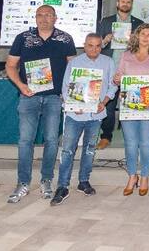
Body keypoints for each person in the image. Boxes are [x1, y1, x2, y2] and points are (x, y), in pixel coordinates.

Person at [5, 5, 77, 203]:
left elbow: (73, 68)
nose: (44, 18)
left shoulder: (65, 39)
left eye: (48, 15)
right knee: (25, 141)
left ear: (55, 18)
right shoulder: (23, 38)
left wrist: (67, 93)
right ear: (35, 17)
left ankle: (46, 180)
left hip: (54, 98)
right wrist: (21, 86)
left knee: (52, 140)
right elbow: (10, 66)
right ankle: (23, 182)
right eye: (40, 15)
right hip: (29, 96)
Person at [50, 33, 116, 206]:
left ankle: (83, 181)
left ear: (101, 46)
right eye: (90, 45)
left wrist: (104, 102)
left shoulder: (108, 62)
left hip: (96, 114)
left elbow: (113, 85)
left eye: (98, 46)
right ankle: (62, 186)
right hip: (75, 115)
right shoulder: (74, 62)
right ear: (84, 45)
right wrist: (73, 105)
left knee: (89, 149)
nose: (94, 49)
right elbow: (65, 87)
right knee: (67, 150)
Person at [113, 23, 149, 196]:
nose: (145, 37)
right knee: (130, 142)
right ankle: (132, 176)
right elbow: (118, 77)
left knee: (145, 142)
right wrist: (117, 79)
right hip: (128, 101)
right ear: (136, 36)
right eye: (142, 34)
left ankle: (144, 176)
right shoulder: (126, 55)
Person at [97, 0, 144, 149]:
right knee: (109, 105)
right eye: (123, 1)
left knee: (131, 104)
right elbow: (96, 45)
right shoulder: (106, 21)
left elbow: (144, 48)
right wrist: (105, 40)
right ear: (118, 3)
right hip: (110, 69)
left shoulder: (139, 24)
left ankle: (132, 137)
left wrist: (135, 42)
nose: (125, 4)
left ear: (132, 5)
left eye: (128, 2)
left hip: (131, 70)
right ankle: (106, 136)